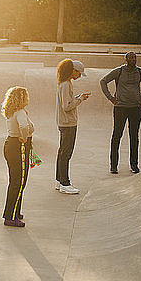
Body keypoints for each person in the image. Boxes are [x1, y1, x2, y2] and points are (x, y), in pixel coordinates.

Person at [100, 51, 141, 174]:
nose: (133, 60)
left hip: (136, 108)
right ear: (126, 59)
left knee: (134, 136)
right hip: (120, 108)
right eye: (131, 58)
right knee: (117, 135)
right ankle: (113, 166)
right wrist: (111, 98)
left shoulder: (140, 72)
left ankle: (134, 165)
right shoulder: (119, 71)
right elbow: (103, 81)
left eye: (135, 58)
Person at [1, 86, 35, 227]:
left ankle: (15, 210)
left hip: (10, 145)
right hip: (18, 146)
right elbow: (24, 127)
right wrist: (25, 138)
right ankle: (10, 216)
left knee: (15, 180)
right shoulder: (20, 112)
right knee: (19, 181)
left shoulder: (11, 111)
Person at [55, 59, 89, 194]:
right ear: (72, 71)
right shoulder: (66, 85)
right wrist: (80, 99)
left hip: (64, 122)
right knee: (66, 154)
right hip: (68, 123)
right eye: (78, 73)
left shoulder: (64, 84)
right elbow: (67, 106)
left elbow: (67, 101)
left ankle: (59, 180)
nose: (79, 76)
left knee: (62, 152)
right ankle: (65, 183)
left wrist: (77, 97)